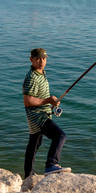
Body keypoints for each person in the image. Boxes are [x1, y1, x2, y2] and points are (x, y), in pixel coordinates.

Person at [22, 47, 70, 178]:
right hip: (38, 116)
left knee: (34, 145)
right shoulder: (32, 77)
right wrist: (46, 101)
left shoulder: (41, 73)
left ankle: (28, 175)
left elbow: (39, 97)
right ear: (31, 59)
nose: (41, 61)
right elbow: (27, 101)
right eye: (37, 59)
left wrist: (51, 102)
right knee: (60, 135)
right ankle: (51, 164)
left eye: (43, 58)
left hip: (41, 114)